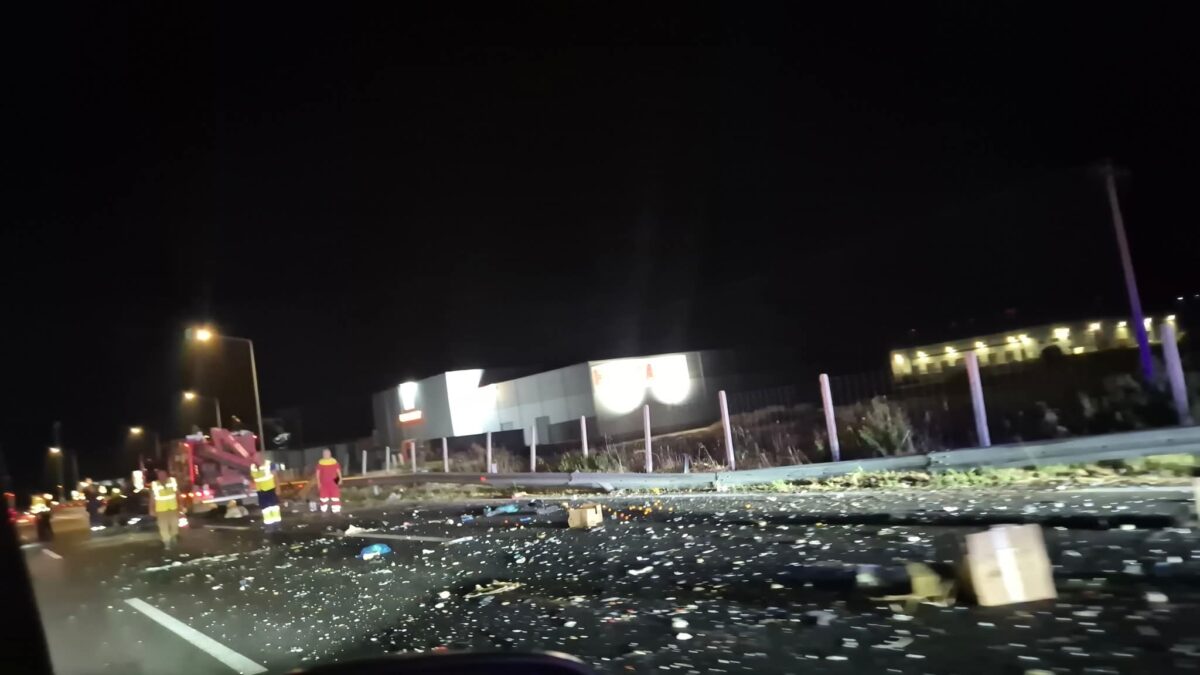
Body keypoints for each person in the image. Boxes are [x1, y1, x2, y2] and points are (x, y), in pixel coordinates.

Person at [149, 470, 180, 550]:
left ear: (166, 475)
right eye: (160, 475)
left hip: (173, 508)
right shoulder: (155, 484)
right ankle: (167, 542)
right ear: (158, 476)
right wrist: (151, 509)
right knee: (163, 527)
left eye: (163, 474)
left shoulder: (172, 481)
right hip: (161, 510)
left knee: (175, 524)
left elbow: (178, 494)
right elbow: (152, 498)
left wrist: (181, 505)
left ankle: (173, 536)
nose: (162, 476)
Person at [250, 461, 281, 527]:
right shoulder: (252, 466)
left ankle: (277, 525)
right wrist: (251, 486)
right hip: (260, 491)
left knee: (274, 507)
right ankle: (269, 525)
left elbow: (275, 476)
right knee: (265, 509)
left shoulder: (269, 464)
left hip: (271, 489)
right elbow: (253, 478)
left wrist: (278, 488)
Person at [314, 449, 342, 514]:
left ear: (330, 454)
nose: (326, 455)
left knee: (335, 497)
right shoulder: (320, 463)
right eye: (325, 454)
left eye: (327, 454)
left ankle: (336, 510)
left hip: (334, 482)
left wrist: (340, 479)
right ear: (323, 455)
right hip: (324, 483)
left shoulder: (334, 462)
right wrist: (318, 482)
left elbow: (338, 471)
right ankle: (324, 510)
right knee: (323, 498)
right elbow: (318, 473)